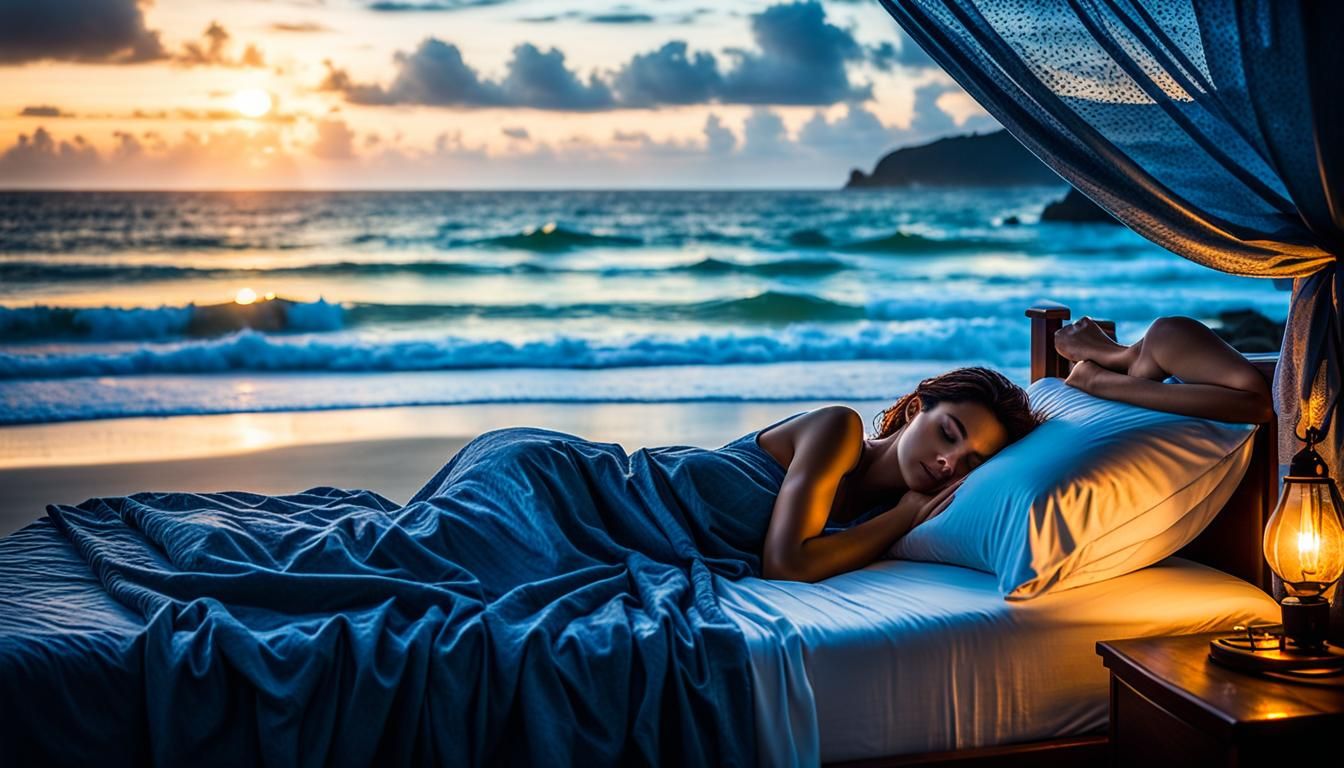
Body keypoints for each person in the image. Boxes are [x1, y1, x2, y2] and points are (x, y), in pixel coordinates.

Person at [754, 367, 1042, 582]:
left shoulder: (897, 517)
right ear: (915, 409)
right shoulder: (839, 429)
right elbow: (786, 565)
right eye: (947, 433)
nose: (949, 462)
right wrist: (903, 516)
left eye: (971, 462)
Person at [1053, 314, 1274, 424]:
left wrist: (1098, 382)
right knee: (1165, 333)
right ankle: (1119, 356)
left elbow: (1256, 404)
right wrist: (1098, 382)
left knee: (1165, 334)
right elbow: (1255, 404)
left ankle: (1120, 356)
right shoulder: (1167, 337)